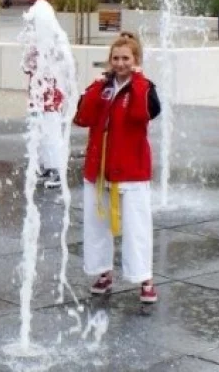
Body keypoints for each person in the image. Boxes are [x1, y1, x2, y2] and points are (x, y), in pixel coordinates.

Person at [73, 34, 161, 304]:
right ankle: (103, 272)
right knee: (96, 224)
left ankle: (144, 277)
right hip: (98, 170)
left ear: (136, 61)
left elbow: (141, 115)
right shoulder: (101, 86)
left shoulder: (145, 88)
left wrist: (137, 83)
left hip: (132, 169)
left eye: (126, 58)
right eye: (116, 58)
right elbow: (83, 118)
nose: (120, 63)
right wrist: (97, 88)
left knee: (136, 226)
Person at [22, 46, 65, 189]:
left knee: (51, 137)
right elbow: (26, 68)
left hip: (50, 103)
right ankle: (47, 167)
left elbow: (50, 73)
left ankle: (58, 171)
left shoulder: (51, 51)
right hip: (37, 102)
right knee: (40, 138)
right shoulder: (34, 52)